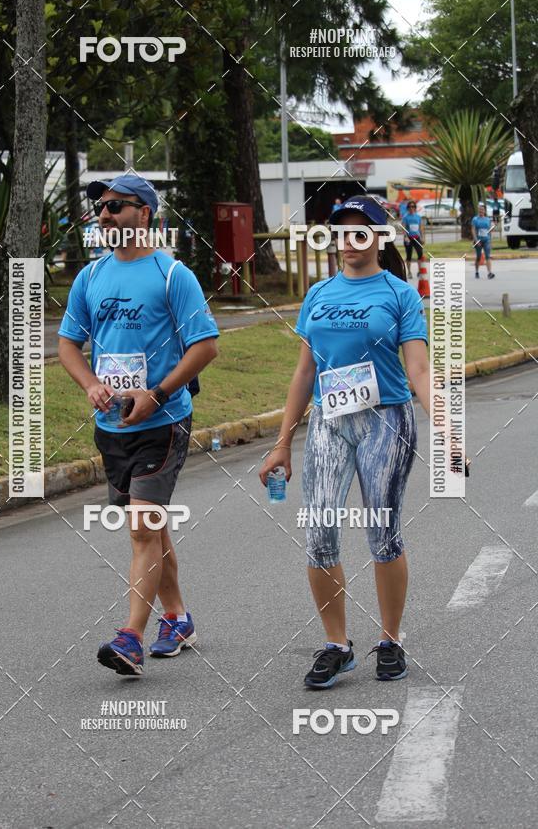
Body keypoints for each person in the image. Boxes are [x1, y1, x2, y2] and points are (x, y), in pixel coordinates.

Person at [259, 195, 431, 688]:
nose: (349, 240)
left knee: (382, 530)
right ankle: (337, 645)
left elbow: (418, 369)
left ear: (380, 237)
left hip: (386, 420)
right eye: (341, 232)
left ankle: (391, 640)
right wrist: (282, 443)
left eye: (361, 231)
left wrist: (448, 428)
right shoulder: (318, 294)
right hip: (329, 421)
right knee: (319, 533)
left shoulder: (399, 295)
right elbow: (304, 372)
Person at [58, 174, 219, 677]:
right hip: (112, 426)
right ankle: (178, 617)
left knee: (142, 526)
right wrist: (89, 383)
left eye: (116, 206)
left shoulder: (173, 275)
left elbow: (205, 346)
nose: (104, 215)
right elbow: (68, 344)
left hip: (163, 421)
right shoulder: (91, 276)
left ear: (144, 213)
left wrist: (158, 394)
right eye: (101, 208)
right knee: (152, 525)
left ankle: (130, 637)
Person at [401, 200, 424, 279]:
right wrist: (405, 237)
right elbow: (403, 228)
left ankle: (419, 271)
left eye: (413, 206)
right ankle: (409, 272)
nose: (411, 208)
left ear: (415, 208)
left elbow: (421, 228)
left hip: (417, 238)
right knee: (409, 256)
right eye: (410, 207)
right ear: (408, 208)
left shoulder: (418, 217)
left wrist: (422, 237)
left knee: (420, 254)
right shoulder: (405, 217)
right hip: (409, 238)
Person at [472, 203, 495, 279]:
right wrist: (476, 240)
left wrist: (490, 240)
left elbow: (489, 231)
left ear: (485, 211)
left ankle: (489, 273)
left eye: (482, 209)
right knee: (478, 257)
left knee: (487, 256)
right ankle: (476, 272)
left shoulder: (487, 219)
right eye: (480, 209)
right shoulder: (475, 219)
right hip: (478, 240)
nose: (481, 211)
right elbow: (473, 230)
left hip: (486, 240)